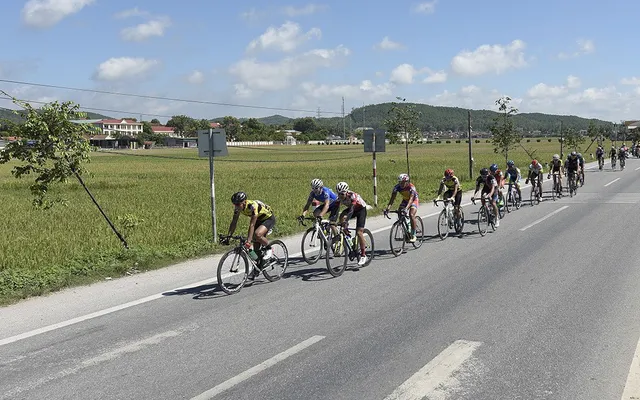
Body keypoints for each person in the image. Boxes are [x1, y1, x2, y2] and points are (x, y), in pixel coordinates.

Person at [227, 192, 276, 269]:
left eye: (238, 204)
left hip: (268, 218)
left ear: (244, 202)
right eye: (234, 204)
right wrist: (228, 236)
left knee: (257, 234)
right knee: (255, 251)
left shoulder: (252, 206)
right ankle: (258, 266)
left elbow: (252, 225)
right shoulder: (238, 208)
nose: (236, 206)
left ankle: (269, 248)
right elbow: (234, 222)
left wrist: (248, 241)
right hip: (258, 220)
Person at [336, 181, 370, 266]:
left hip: (361, 210)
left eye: (342, 194)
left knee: (359, 232)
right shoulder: (339, 198)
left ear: (346, 192)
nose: (340, 196)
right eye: (339, 194)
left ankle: (363, 255)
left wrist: (346, 221)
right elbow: (335, 209)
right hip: (352, 209)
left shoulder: (352, 195)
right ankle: (347, 234)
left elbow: (351, 210)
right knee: (341, 216)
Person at [384, 173, 418, 242]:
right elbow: (392, 199)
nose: (401, 184)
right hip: (405, 200)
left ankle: (414, 234)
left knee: (411, 214)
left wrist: (406, 209)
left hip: (414, 200)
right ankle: (407, 228)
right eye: (400, 182)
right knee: (400, 212)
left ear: (407, 182)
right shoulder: (397, 187)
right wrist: (388, 209)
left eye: (402, 182)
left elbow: (411, 199)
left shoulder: (411, 187)